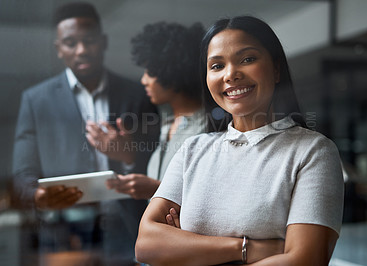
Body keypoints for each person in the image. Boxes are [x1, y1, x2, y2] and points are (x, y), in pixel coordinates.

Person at [135, 16, 344, 265]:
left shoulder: (313, 152)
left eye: (247, 59)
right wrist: (245, 248)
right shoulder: (192, 150)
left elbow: (305, 260)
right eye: (216, 66)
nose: (231, 74)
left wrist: (188, 246)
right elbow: (147, 245)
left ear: (276, 69)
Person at [12, 2, 158, 264]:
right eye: (70, 43)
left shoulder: (138, 95)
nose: (81, 50)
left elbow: (161, 165)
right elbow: (23, 174)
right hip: (65, 230)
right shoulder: (36, 101)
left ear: (103, 42)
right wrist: (38, 195)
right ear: (58, 49)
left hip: (131, 227)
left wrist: (128, 155)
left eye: (89, 41)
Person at [99, 22, 208, 200]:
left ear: (171, 72)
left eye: (149, 72)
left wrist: (156, 190)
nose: (144, 80)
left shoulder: (210, 128)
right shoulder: (165, 125)